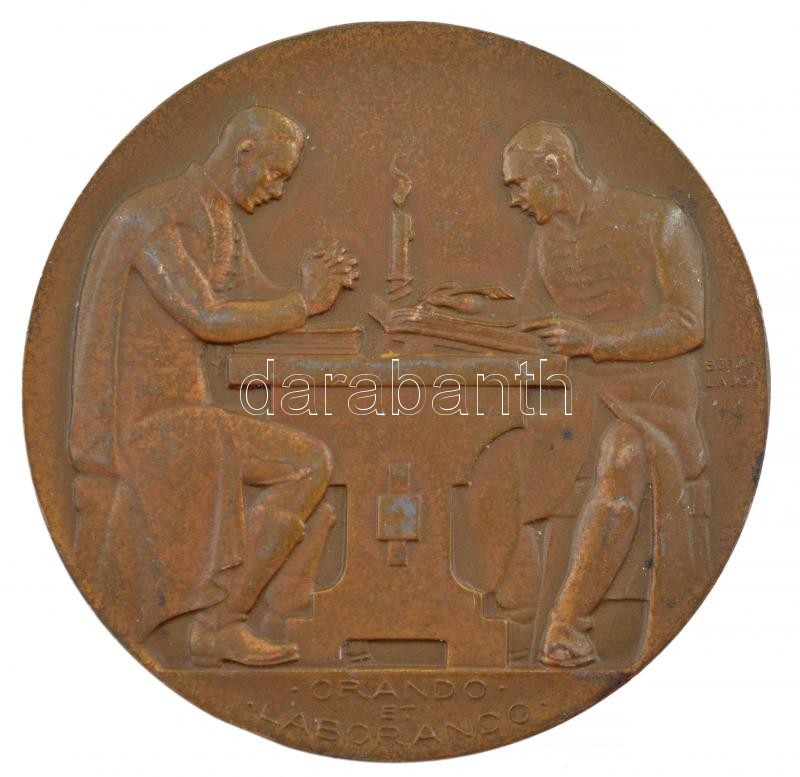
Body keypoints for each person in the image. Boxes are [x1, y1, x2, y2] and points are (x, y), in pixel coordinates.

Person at [69, 107, 358, 667]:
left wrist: (312, 293)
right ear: (243, 152)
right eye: (275, 174)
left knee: (310, 463)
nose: (278, 191)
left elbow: (255, 301)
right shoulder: (156, 217)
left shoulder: (217, 218)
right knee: (307, 464)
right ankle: (222, 622)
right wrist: (303, 304)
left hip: (187, 417)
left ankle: (220, 624)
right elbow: (208, 315)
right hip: (144, 426)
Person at [502, 121, 707, 667]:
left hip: (653, 403)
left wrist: (596, 342)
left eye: (519, 183)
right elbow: (529, 315)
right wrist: (465, 308)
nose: (514, 198)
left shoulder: (659, 221)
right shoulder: (545, 241)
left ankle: (566, 624)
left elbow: (689, 326)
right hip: (575, 404)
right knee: (488, 448)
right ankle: (502, 604)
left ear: (554, 167)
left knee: (624, 453)